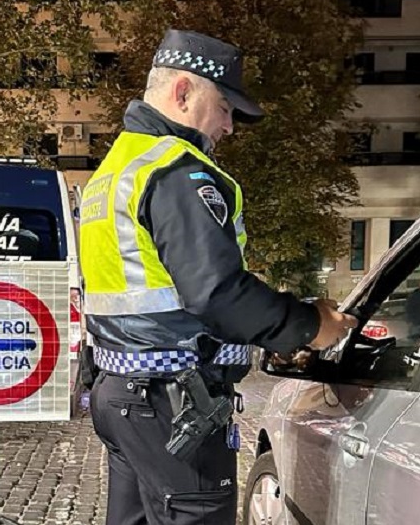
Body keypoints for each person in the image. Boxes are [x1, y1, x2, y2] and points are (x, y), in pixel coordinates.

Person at [79, 29, 357, 525]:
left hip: (121, 392)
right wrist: (313, 326)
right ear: (183, 92)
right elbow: (218, 294)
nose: (229, 126)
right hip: (171, 398)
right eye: (225, 106)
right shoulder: (176, 171)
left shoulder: (114, 170)